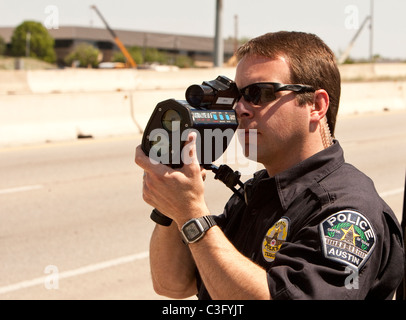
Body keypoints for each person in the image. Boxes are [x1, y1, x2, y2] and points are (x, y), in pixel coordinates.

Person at [135, 31, 404, 300]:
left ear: (316, 105)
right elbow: (172, 284)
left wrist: (193, 214)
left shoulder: (347, 212)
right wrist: (171, 207)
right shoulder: (258, 192)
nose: (241, 108)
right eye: (237, 95)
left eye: (259, 93)